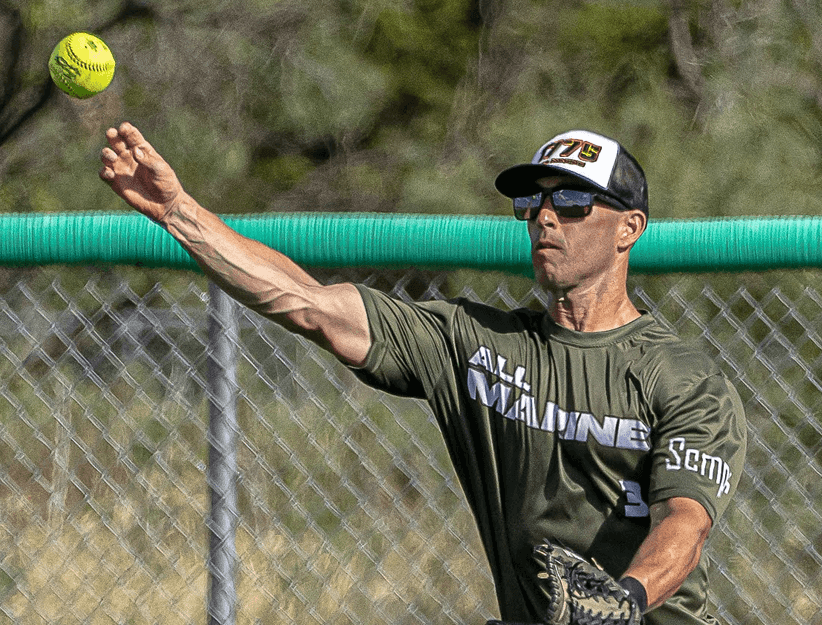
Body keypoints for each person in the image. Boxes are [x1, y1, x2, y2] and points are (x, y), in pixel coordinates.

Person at [99, 123, 746, 624]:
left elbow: (684, 522)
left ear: (629, 227)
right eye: (533, 200)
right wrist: (177, 210)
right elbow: (311, 304)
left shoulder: (681, 376)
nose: (546, 216)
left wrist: (625, 599)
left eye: (574, 200)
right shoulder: (476, 344)